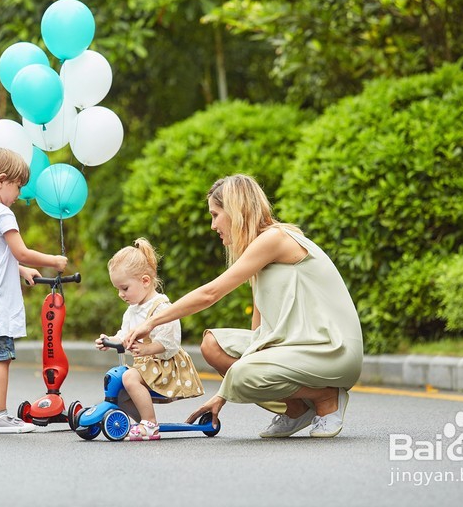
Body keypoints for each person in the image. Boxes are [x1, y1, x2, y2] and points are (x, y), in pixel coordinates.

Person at [124, 174, 363, 439]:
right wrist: (226, 393)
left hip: (332, 351)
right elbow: (259, 334)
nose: (213, 225)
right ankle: (296, 410)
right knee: (212, 345)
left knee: (242, 373)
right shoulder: (258, 255)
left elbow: (210, 294)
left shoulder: (275, 239)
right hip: (296, 347)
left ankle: (327, 397)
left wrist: (151, 321)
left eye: (216, 215)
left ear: (236, 211)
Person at [0, 148, 68, 434]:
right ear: (2, 180)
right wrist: (53, 261)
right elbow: (22, 251)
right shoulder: (2, 213)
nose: (19, 194)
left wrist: (21, 270)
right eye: (18, 186)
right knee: (0, 357)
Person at [95, 238, 204, 440]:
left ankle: (150, 424)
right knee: (120, 388)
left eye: (125, 288)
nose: (120, 294)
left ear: (145, 281)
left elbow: (170, 344)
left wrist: (147, 349)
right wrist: (110, 340)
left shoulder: (161, 308)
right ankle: (142, 423)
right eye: (117, 289)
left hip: (165, 365)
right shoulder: (132, 311)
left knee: (128, 377)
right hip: (147, 366)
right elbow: (124, 336)